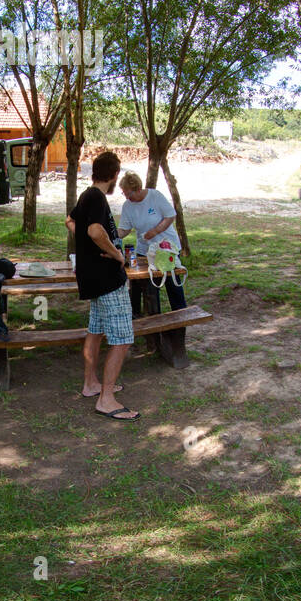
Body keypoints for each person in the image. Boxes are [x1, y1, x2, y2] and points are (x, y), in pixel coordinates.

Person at [74, 150, 136, 419]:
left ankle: (91, 384)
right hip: (108, 280)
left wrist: (89, 248)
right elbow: (94, 230)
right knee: (122, 339)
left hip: (92, 278)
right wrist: (116, 254)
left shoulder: (86, 195)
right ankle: (106, 400)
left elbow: (71, 222)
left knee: (95, 330)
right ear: (114, 176)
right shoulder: (97, 197)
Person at [118, 168, 185, 311]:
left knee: (172, 284)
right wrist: (110, 234)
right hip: (145, 250)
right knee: (148, 287)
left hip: (167, 248)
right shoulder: (127, 206)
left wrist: (155, 231)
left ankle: (180, 316)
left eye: (129, 194)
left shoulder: (154, 196)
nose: (127, 197)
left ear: (138, 189)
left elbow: (170, 216)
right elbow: (124, 229)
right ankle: (152, 317)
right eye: (124, 194)